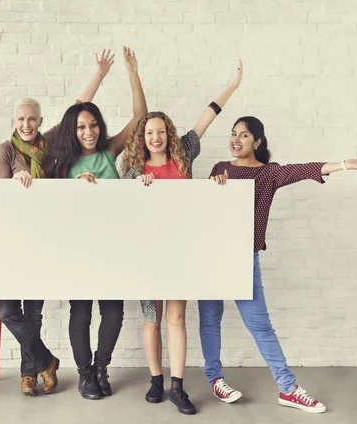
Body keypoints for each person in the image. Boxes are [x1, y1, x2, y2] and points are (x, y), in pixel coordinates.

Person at [199, 115, 357, 414]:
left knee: (261, 327)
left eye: (244, 135)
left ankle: (288, 389)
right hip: (212, 255)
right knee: (209, 320)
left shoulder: (269, 173)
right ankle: (215, 379)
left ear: (257, 142)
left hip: (243, 257)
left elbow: (304, 169)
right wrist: (215, 186)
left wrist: (342, 164)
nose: (236, 140)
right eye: (233, 134)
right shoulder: (220, 169)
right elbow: (203, 210)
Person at [120, 61, 242, 415]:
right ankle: (155, 380)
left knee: (176, 317)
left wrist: (232, 85)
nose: (155, 138)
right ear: (141, 139)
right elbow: (123, 212)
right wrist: (136, 187)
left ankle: (177, 387)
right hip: (148, 252)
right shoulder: (132, 170)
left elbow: (207, 116)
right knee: (152, 318)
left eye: (160, 131)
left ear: (168, 133)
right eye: (149, 133)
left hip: (181, 250)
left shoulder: (184, 155)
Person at [0, 49, 117, 396]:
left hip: (42, 239)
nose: (26, 124)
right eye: (21, 119)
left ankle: (28, 375)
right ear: (14, 122)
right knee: (6, 310)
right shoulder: (5, 149)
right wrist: (16, 177)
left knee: (33, 312)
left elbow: (74, 111)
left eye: (32, 119)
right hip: (12, 239)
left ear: (39, 119)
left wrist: (99, 76)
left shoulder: (48, 146)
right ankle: (46, 360)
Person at [45, 46, 147, 401]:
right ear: (73, 131)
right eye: (82, 127)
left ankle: (102, 366)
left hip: (111, 246)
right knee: (81, 313)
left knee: (114, 314)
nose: (89, 131)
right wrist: (99, 76)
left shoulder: (109, 151)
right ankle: (86, 375)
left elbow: (140, 118)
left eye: (94, 125)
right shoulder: (61, 162)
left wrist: (131, 71)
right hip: (77, 248)